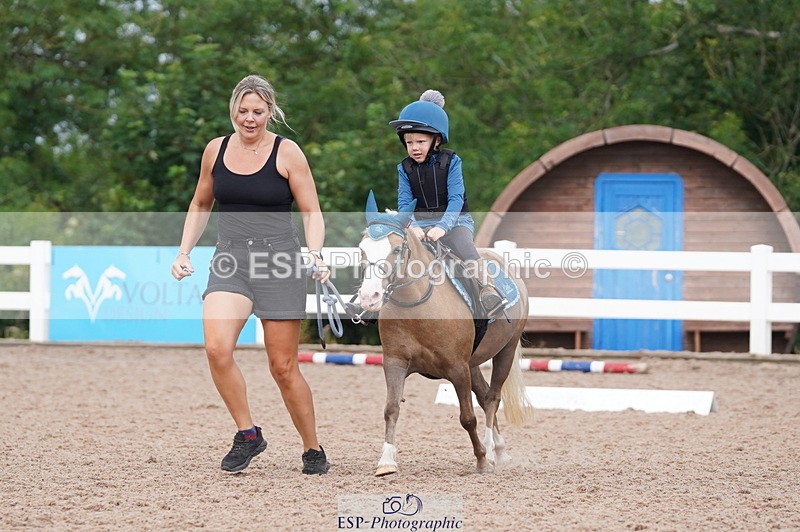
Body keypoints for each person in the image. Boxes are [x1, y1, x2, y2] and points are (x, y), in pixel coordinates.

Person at [171, 74, 330, 475]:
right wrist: (183, 251)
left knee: (283, 367)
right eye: (243, 111)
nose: (249, 119)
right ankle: (248, 434)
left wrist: (315, 253)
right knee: (216, 348)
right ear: (233, 110)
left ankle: (312, 448)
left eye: (258, 111)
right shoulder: (216, 150)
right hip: (230, 259)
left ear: (269, 111)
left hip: (279, 261)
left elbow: (311, 211)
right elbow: (201, 203)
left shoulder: (287, 152)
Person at [389, 89, 508, 319]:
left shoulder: (452, 161)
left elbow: (456, 199)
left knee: (466, 251)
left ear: (436, 140)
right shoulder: (404, 168)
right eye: (409, 142)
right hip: (419, 225)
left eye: (420, 141)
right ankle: (376, 298)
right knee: (393, 252)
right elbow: (404, 202)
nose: (414, 148)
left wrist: (443, 227)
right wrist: (413, 226)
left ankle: (488, 290)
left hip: (455, 222)